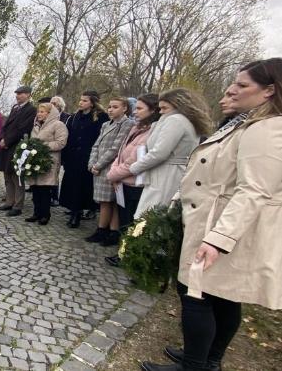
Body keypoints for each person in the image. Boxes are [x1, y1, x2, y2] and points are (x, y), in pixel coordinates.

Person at [141, 61, 282, 371]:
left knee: (198, 295)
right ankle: (207, 360)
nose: (231, 89)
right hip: (214, 219)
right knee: (221, 297)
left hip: (222, 226)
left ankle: (195, 365)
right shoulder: (245, 123)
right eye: (234, 82)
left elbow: (255, 190)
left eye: (243, 85)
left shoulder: (267, 128)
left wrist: (218, 239)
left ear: (269, 90)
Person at [129, 88, 212, 219]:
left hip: (166, 174)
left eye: (164, 108)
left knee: (151, 216)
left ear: (178, 105)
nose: (160, 112)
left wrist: (134, 167)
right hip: (172, 172)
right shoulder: (186, 120)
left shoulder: (175, 120)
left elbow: (160, 152)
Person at [104, 93, 160, 267]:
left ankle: (127, 255)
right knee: (124, 220)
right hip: (123, 182)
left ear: (153, 111)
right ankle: (123, 252)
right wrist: (114, 170)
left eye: (140, 108)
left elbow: (135, 160)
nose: (135, 112)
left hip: (135, 184)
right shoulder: (136, 128)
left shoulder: (153, 132)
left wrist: (113, 174)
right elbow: (121, 153)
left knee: (131, 223)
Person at [84, 97, 135, 246]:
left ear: (124, 108)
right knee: (104, 201)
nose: (111, 110)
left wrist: (99, 165)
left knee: (111, 201)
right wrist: (92, 163)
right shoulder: (106, 124)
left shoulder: (127, 124)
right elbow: (96, 145)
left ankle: (108, 231)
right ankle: (104, 229)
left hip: (110, 167)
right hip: (98, 166)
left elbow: (115, 148)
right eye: (109, 107)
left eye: (115, 107)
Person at [60, 90, 110, 227]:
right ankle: (74, 211)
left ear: (93, 102)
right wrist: (65, 157)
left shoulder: (102, 117)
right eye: (80, 100)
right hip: (73, 158)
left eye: (85, 100)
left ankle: (82, 212)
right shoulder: (75, 116)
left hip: (88, 157)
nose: (81, 103)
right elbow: (69, 136)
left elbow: (101, 139)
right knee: (72, 186)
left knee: (84, 187)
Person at [25, 103, 68, 225]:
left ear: (50, 114)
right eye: (39, 111)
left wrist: (42, 146)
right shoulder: (36, 125)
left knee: (44, 189)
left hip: (49, 160)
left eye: (42, 112)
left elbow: (61, 143)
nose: (39, 114)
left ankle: (45, 215)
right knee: (35, 188)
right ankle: (36, 213)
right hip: (35, 160)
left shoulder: (58, 125)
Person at [0, 86, 37, 216]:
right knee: (7, 175)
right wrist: (2, 138)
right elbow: (6, 125)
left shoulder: (31, 110)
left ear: (28, 95)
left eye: (20, 94)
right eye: (17, 93)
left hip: (18, 146)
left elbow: (22, 129)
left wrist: (7, 141)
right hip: (7, 146)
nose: (17, 96)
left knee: (17, 176)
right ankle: (9, 201)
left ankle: (18, 205)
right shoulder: (15, 108)